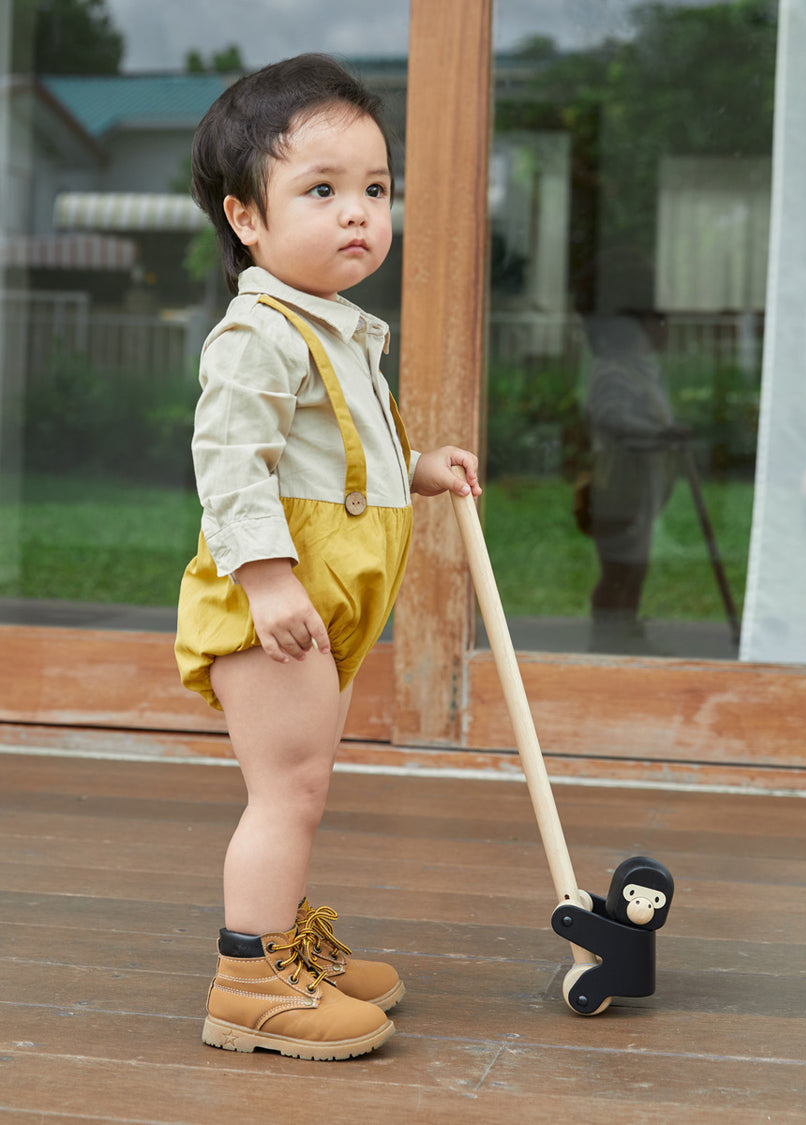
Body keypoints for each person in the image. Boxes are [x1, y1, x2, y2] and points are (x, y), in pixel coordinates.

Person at [174, 54, 480, 1061]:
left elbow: (343, 449)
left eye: (375, 190)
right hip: (277, 599)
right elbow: (231, 462)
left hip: (328, 600)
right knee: (288, 790)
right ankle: (250, 978)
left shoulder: (337, 326)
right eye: (322, 190)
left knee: (306, 781)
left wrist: (418, 467)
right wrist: (265, 579)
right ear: (246, 219)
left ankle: (287, 941)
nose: (358, 213)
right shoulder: (258, 332)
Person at [578, 311, 683, 653]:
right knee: (619, 565)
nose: (665, 332)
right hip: (620, 480)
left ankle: (625, 633)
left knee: (636, 564)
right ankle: (607, 639)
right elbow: (611, 420)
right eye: (659, 323)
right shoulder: (614, 371)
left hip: (643, 481)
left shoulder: (643, 369)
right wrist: (660, 433)